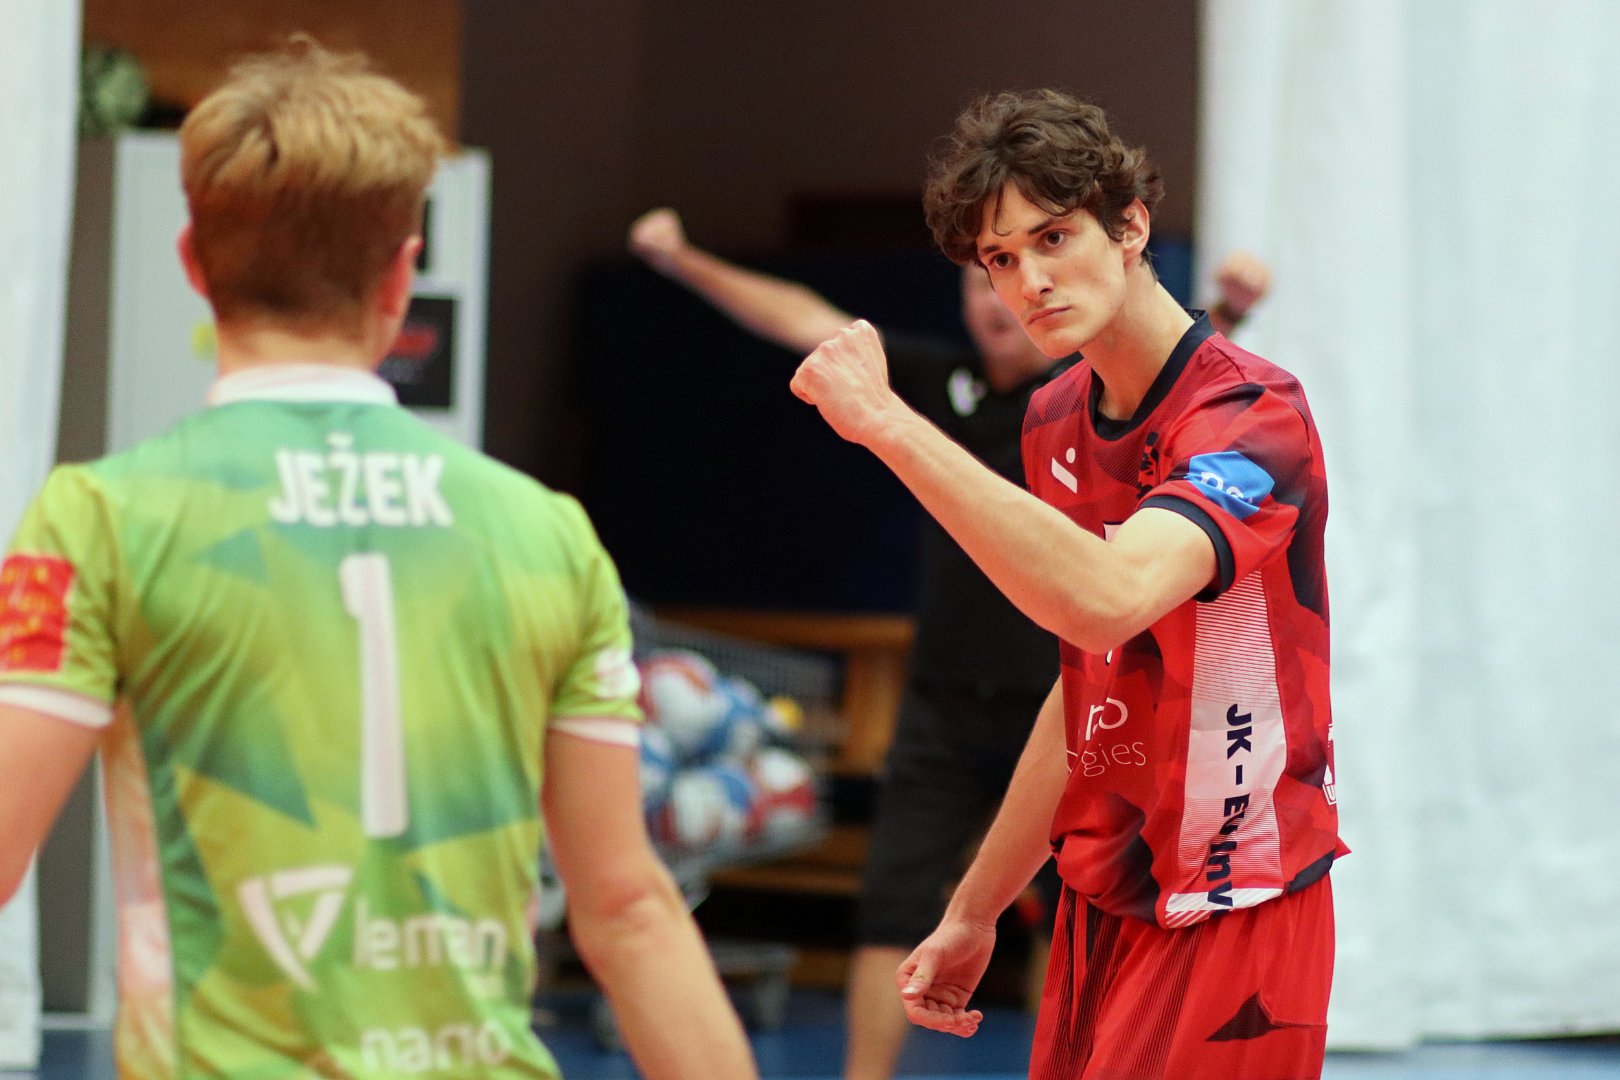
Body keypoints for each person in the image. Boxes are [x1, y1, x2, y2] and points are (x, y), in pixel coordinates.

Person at [0, 39, 757, 1080]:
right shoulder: (547, 531)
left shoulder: (98, 517)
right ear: (403, 274)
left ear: (192, 262)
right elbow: (629, 908)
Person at [628, 208, 1272, 1080]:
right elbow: (806, 322)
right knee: (892, 903)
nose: (1006, 293)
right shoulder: (939, 383)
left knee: (1080, 905)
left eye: (1039, 254)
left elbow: (1182, 386)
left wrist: (1228, 312)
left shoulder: (1099, 398)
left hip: (1066, 701)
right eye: (988, 270)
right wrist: (684, 259)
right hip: (942, 703)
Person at [789, 88, 1343, 1080]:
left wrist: (886, 423)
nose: (1029, 280)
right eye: (1000, 259)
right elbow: (1092, 682)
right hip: (1104, 896)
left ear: (1130, 227)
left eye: (1052, 238)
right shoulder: (1053, 418)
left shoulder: (1254, 415)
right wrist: (976, 908)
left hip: (1236, 895)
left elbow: (1109, 596)